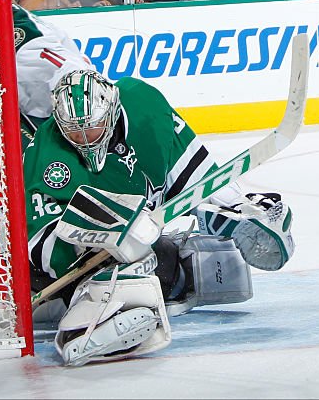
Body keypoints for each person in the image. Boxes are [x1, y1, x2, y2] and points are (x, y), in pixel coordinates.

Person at [23, 65, 295, 364]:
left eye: (93, 127)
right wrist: (107, 232)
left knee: (195, 264)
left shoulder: (144, 106)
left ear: (112, 111)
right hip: (62, 271)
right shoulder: (46, 158)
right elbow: (38, 241)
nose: (85, 138)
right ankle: (81, 320)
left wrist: (240, 204)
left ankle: (221, 226)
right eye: (74, 130)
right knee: (136, 271)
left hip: (142, 240)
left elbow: (195, 173)